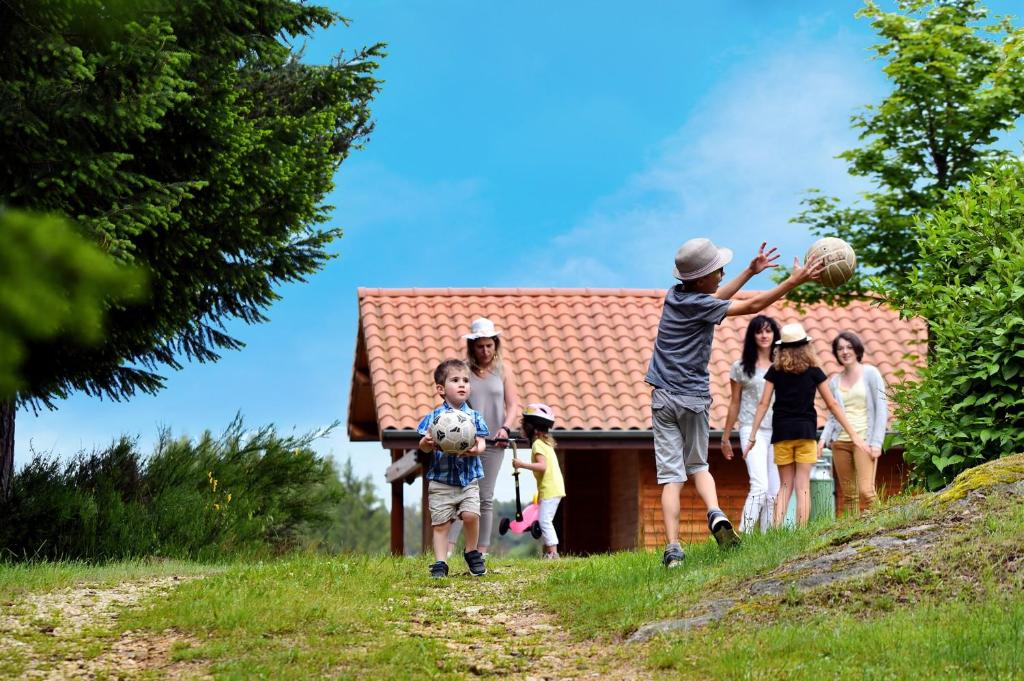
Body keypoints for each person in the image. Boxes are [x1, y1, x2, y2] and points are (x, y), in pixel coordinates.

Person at [647, 237, 824, 568]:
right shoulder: (702, 303)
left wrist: (749, 272)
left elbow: (715, 299)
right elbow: (752, 307)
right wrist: (792, 281)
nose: (721, 273)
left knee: (672, 476)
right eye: (717, 270)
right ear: (700, 279)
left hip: (662, 397)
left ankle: (673, 548)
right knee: (698, 466)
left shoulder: (676, 297)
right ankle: (715, 513)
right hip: (692, 398)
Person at [748, 323, 869, 527]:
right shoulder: (814, 371)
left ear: (782, 348)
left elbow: (763, 403)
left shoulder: (774, 370)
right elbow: (832, 404)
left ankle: (776, 531)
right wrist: (853, 433)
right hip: (805, 433)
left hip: (782, 434)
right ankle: (800, 532)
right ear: (806, 346)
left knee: (784, 485)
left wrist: (752, 436)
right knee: (802, 486)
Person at [447, 317, 519, 559]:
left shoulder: (504, 370)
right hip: (467, 442)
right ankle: (446, 549)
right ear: (472, 347)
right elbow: (454, 405)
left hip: (494, 443)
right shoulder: (463, 372)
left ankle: (481, 551)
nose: (486, 351)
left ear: (495, 344)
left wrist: (506, 428)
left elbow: (513, 405)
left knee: (485, 497)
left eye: (490, 345)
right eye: (481, 346)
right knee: (463, 493)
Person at [416, 359, 490, 578]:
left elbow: (482, 441)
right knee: (441, 524)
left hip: (468, 480)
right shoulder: (434, 418)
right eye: (455, 380)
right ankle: (440, 562)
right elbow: (423, 446)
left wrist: (478, 449)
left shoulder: (474, 417)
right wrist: (426, 444)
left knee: (470, 514)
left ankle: (471, 551)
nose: (462, 384)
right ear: (441, 389)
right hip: (441, 481)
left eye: (466, 381)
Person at [721, 315, 781, 533]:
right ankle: (744, 535)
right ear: (752, 336)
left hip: (778, 430)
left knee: (774, 491)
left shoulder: (782, 365)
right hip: (750, 428)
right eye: (759, 331)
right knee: (760, 485)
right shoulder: (740, 367)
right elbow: (734, 402)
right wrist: (726, 437)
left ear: (774, 334)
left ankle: (767, 538)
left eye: (768, 331)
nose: (764, 335)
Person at [819, 331, 889, 515]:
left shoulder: (871, 374)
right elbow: (833, 415)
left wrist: (877, 443)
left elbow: (882, 409)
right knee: (849, 496)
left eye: (849, 347)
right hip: (840, 442)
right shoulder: (834, 381)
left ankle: (886, 523)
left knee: (866, 491)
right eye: (840, 348)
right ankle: (852, 537)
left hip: (864, 441)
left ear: (857, 349)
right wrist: (823, 439)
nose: (845, 351)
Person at [511, 403, 565, 559]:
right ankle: (550, 552)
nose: (522, 429)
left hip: (551, 489)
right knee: (544, 520)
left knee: (544, 521)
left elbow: (542, 466)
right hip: (551, 488)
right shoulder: (545, 443)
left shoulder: (537, 444)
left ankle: (553, 553)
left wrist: (521, 464)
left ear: (533, 429)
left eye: (524, 426)